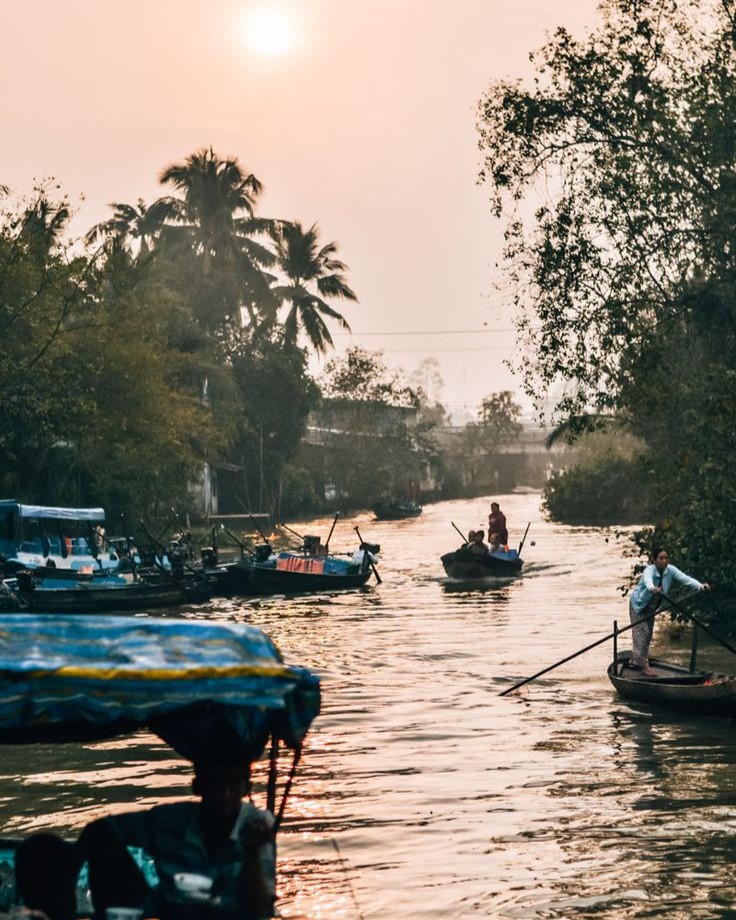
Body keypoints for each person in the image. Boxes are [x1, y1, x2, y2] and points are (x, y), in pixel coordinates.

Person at [17, 758, 276, 920]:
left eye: (233, 785)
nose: (225, 795)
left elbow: (260, 909)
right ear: (198, 787)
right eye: (215, 785)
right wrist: (67, 882)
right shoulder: (170, 820)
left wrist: (253, 851)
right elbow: (101, 829)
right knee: (106, 843)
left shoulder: (256, 825)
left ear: (246, 788)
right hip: (170, 911)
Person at [628, 547, 710, 676]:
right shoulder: (649, 570)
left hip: (652, 608)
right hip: (638, 606)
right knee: (642, 633)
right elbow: (648, 581)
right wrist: (653, 588)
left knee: (647, 636)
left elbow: (686, 579)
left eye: (666, 558)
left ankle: (636, 660)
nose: (664, 561)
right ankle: (644, 667)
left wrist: (700, 586)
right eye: (661, 558)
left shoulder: (670, 570)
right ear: (654, 560)